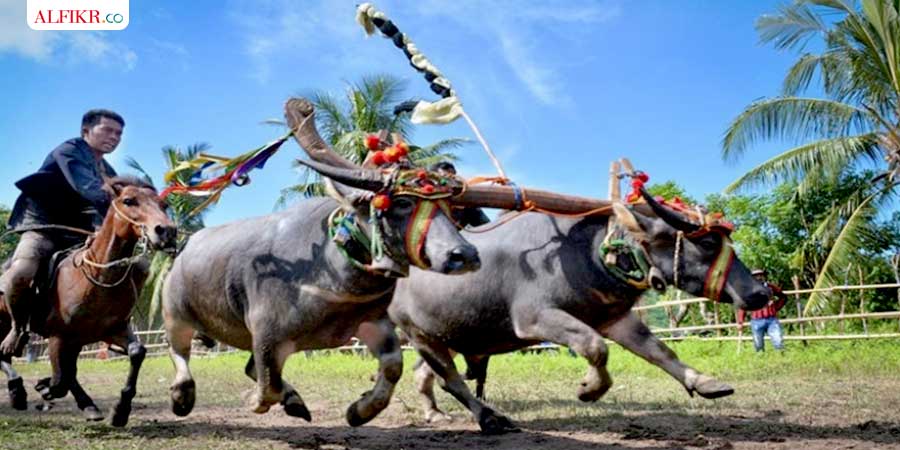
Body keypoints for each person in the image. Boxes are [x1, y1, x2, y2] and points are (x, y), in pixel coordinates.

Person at [0, 109, 123, 355]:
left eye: (119, 133)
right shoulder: (69, 151)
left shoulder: (108, 169)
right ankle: (16, 328)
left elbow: (115, 202)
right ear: (85, 131)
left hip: (77, 230)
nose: (115, 137)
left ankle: (112, 327)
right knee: (21, 272)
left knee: (115, 268)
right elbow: (93, 192)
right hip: (43, 225)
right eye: (107, 130)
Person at [737, 269, 788, 352]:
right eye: (756, 276)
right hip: (756, 320)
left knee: (778, 341)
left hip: (772, 319)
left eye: (760, 275)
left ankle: (781, 358)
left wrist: (776, 307)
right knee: (758, 345)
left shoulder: (771, 287)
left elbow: (783, 297)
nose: (759, 277)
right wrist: (740, 321)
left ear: (764, 276)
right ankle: (761, 360)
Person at [429, 162, 490, 228]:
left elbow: (477, 183)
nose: (451, 175)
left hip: (468, 212)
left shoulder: (462, 183)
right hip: (450, 217)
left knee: (473, 210)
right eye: (446, 173)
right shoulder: (435, 188)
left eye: (452, 173)